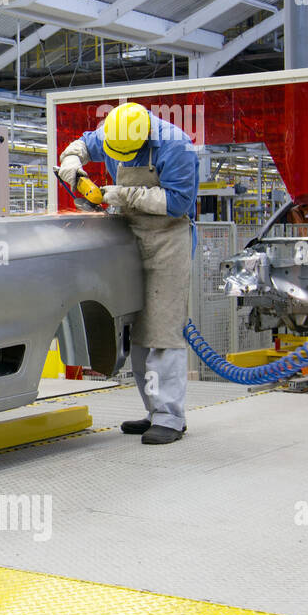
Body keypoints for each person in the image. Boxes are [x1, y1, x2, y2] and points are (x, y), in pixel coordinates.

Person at [58, 102, 200, 445]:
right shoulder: (115, 130)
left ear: (145, 137)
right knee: (136, 330)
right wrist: (71, 161)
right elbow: (84, 144)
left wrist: (123, 194)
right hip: (127, 237)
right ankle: (154, 410)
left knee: (162, 330)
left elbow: (179, 202)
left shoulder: (176, 145)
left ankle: (171, 417)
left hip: (166, 240)